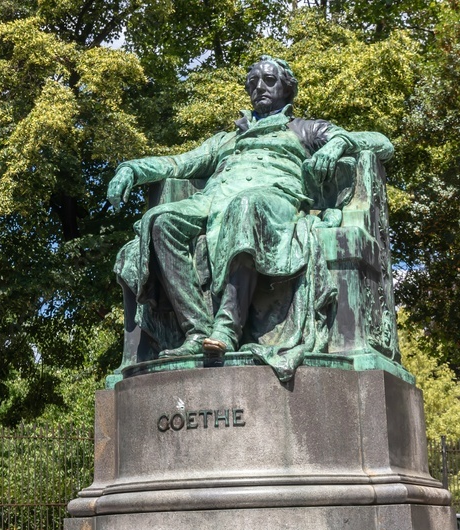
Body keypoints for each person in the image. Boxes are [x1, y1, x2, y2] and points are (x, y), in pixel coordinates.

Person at [109, 56, 393, 377]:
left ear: (287, 89)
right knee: (159, 221)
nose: (259, 86)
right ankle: (197, 329)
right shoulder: (227, 138)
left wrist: (335, 145)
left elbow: (382, 143)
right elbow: (178, 163)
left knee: (244, 205)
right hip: (211, 202)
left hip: (272, 203)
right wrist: (130, 169)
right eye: (253, 81)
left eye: (269, 80)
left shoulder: (304, 129)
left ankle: (227, 328)